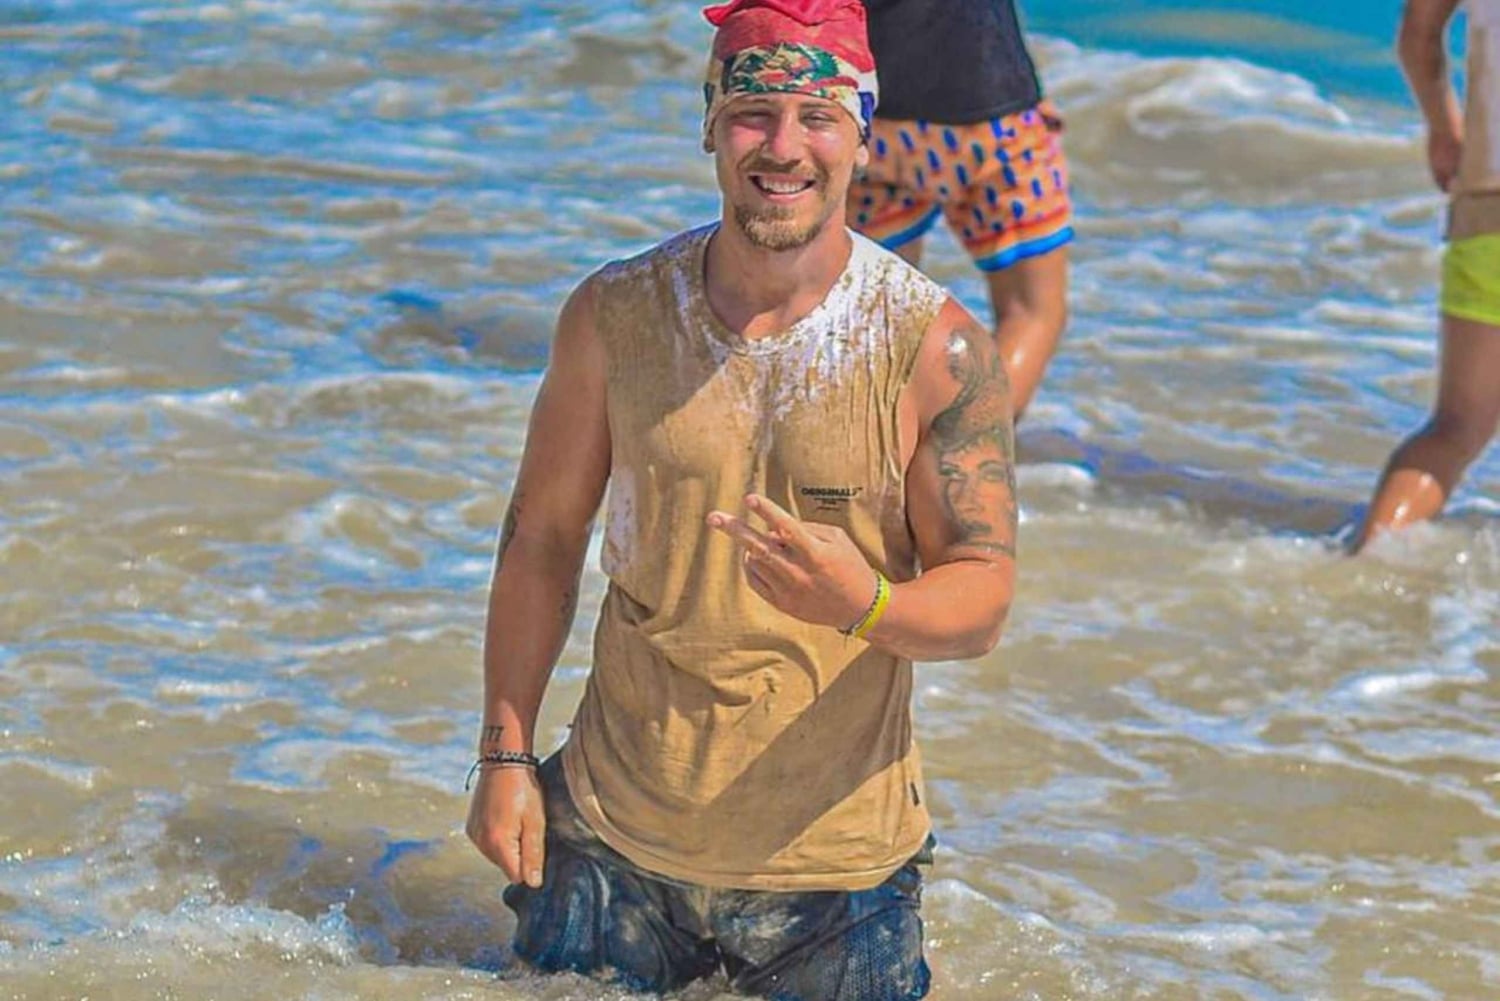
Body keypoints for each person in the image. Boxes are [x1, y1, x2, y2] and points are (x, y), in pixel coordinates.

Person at [463, 1, 1017, 997]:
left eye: (818, 116)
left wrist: (866, 604)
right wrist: (504, 758)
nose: (784, 146)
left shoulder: (937, 349)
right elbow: (541, 538)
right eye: (755, 111)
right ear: (711, 123)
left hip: (834, 868)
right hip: (613, 838)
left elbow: (981, 595)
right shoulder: (614, 314)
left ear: (863, 134)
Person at [846, 0, 1072, 419]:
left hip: (875, 119)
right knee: (1032, 311)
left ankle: (877, 446)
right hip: (994, 107)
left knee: (878, 319)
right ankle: (966, 446)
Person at [1355, 0, 1500, 551]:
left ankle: (1367, 564)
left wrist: (1445, 129)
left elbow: (1419, 34)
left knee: (1455, 428)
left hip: (1489, 210)